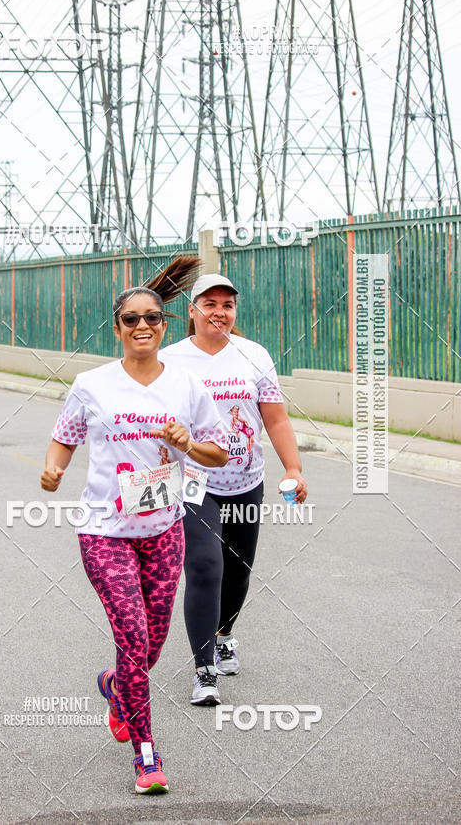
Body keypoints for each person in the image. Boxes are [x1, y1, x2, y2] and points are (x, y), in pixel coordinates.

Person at [41, 258, 228, 795]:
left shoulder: (188, 387)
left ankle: (115, 686)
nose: (142, 326)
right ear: (117, 327)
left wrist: (187, 444)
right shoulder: (91, 384)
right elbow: (65, 434)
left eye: (152, 317)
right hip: (104, 531)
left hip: (164, 530)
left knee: (149, 647)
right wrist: (55, 466)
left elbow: (219, 454)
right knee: (133, 632)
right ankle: (146, 754)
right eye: (131, 319)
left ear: (165, 325)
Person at [160, 272, 308, 705]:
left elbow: (276, 419)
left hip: (246, 479)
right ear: (193, 310)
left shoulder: (253, 355)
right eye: (209, 304)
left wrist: (294, 468)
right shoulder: (172, 359)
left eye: (227, 305)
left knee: (238, 571)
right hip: (194, 481)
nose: (219, 312)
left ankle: (224, 634)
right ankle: (204, 669)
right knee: (206, 566)